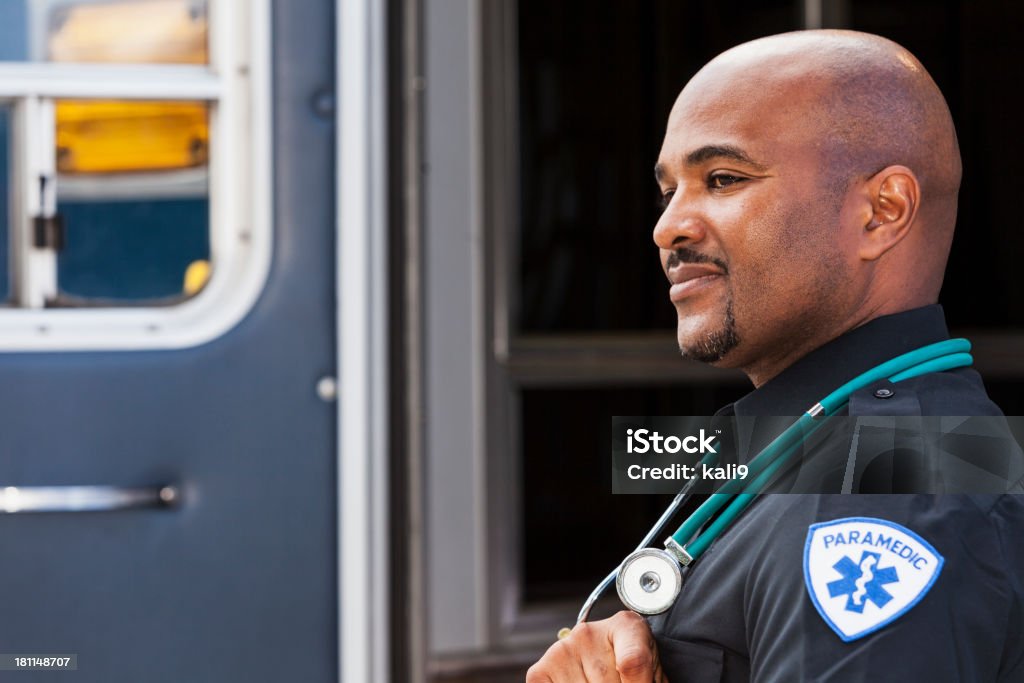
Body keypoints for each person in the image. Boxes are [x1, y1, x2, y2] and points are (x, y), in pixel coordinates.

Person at [526, 30, 1024, 682]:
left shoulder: (884, 496)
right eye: (669, 189)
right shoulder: (830, 444)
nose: (667, 227)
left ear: (883, 211)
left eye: (723, 178)